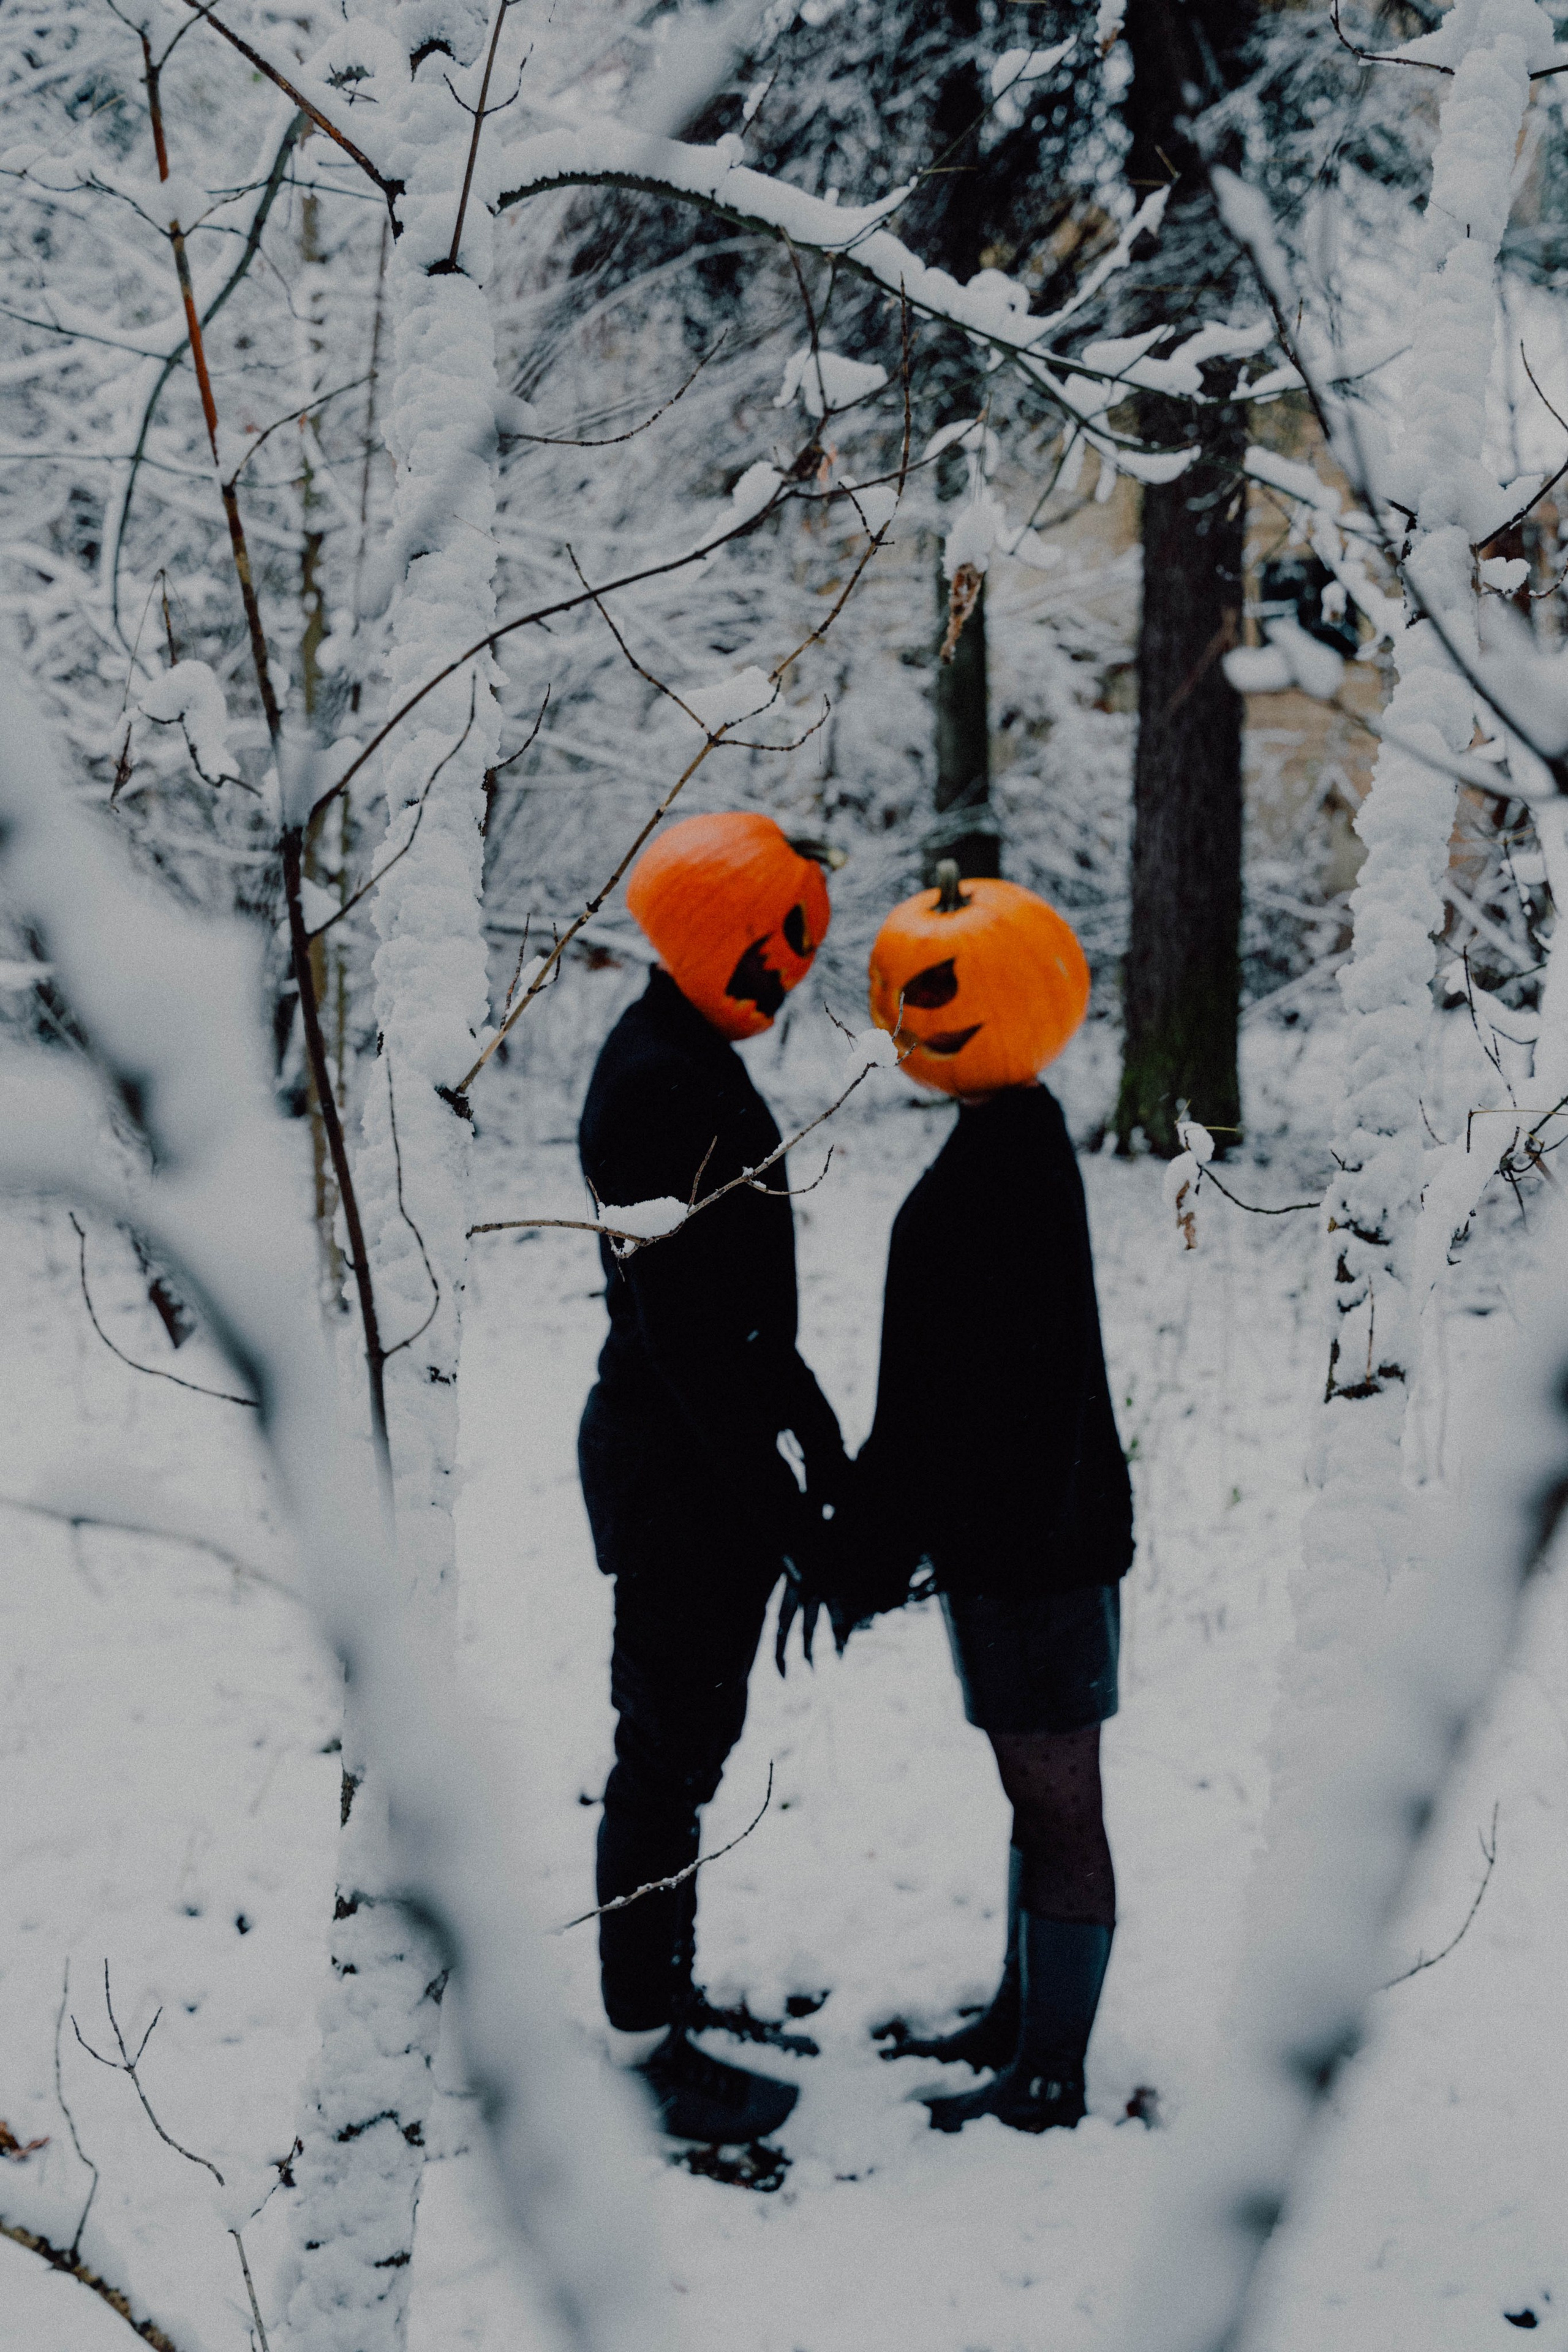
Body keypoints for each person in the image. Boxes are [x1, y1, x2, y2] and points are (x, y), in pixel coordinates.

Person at [848, 859, 1134, 2134]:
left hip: (1038, 1557)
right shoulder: (1010, 1137)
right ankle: (1020, 2022)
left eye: (936, 992)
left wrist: (865, 1542)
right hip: (1017, 1549)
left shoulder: (996, 1170)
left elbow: (934, 1409)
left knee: (1061, 1802)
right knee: (1036, 1799)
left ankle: (1049, 2072)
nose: (905, 1016)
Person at [576, 810, 848, 2146]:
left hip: (707, 1470)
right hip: (681, 1482)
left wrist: (811, 1419)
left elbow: (734, 1315)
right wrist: (788, 1512)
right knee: (663, 1757)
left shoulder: (682, 1055)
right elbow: (684, 1344)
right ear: (715, 938)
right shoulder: (656, 1085)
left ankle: (666, 1999)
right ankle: (645, 2040)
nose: (795, 973)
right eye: (781, 942)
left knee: (689, 1746)